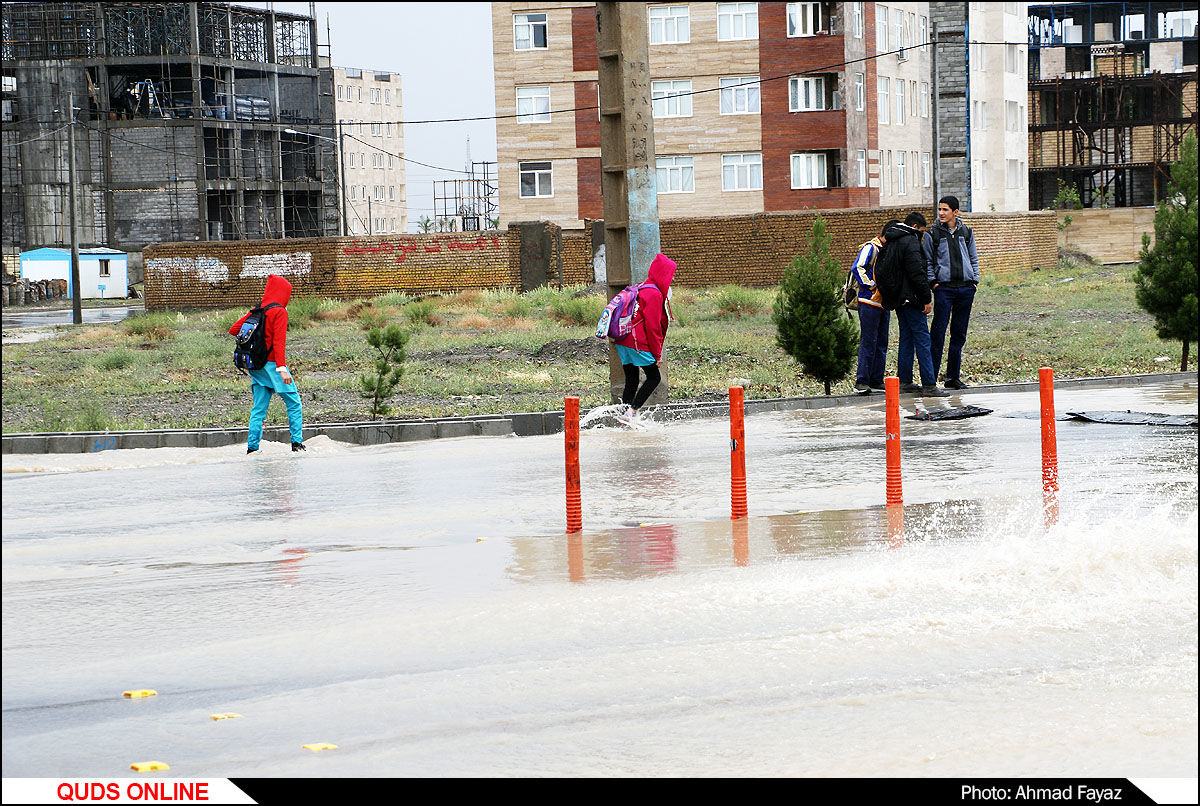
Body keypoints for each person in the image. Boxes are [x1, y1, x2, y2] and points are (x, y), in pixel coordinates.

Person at [228, 273, 305, 453]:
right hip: (273, 366)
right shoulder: (279, 311)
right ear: (283, 292)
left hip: (256, 366)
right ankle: (297, 444)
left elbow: (234, 330)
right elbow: (279, 342)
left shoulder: (257, 309)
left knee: (258, 410)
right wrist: (282, 369)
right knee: (294, 403)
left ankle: (252, 449)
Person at [882, 212, 948, 397]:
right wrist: (926, 298)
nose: (923, 236)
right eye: (923, 231)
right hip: (912, 299)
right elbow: (917, 273)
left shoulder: (893, 241)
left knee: (906, 338)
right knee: (922, 339)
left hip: (898, 299)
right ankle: (929, 384)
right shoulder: (910, 242)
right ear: (916, 227)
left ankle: (905, 381)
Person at [924, 195, 979, 390]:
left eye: (945, 209)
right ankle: (931, 381)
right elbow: (928, 261)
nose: (941, 213)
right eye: (939, 209)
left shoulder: (966, 232)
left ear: (955, 212)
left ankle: (953, 378)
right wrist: (934, 283)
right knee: (938, 333)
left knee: (959, 334)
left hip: (965, 288)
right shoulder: (933, 234)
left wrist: (974, 281)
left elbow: (973, 257)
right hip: (944, 289)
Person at [614, 253, 677, 423]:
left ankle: (624, 415)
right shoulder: (654, 294)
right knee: (654, 377)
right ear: (664, 275)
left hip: (623, 339)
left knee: (632, 379)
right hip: (636, 342)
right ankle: (632, 412)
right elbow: (653, 327)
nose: (670, 280)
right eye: (670, 276)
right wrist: (656, 355)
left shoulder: (641, 287)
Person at [850, 221, 896, 394]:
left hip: (884, 303)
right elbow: (858, 267)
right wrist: (870, 285)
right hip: (869, 302)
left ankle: (876, 379)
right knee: (869, 341)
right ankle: (862, 381)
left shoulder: (887, 249)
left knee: (882, 342)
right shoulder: (871, 247)